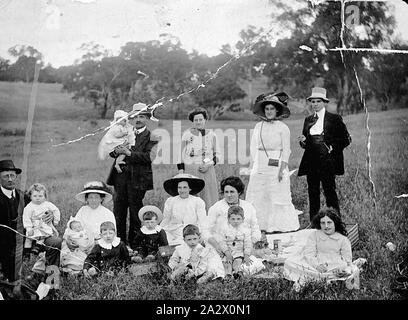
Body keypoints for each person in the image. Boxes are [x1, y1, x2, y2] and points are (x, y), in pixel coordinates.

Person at [245, 92, 301, 233]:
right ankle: (260, 226)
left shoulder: (283, 127)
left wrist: (282, 168)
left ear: (277, 110)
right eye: (267, 109)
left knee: (276, 193)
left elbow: (286, 150)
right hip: (261, 162)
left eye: (272, 109)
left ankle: (277, 226)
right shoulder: (258, 126)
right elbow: (253, 147)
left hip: (276, 163)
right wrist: (253, 165)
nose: (269, 112)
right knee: (259, 193)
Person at [107, 103, 160, 245]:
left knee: (136, 211)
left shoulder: (152, 136)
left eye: (141, 116)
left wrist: (129, 153)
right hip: (120, 177)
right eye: (135, 116)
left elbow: (149, 157)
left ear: (147, 118)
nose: (138, 119)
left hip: (139, 178)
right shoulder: (122, 131)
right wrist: (116, 151)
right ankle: (119, 243)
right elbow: (111, 151)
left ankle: (135, 244)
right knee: (119, 211)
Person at [298, 87, 352, 222]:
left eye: (318, 101)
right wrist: (303, 142)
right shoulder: (308, 119)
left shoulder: (334, 118)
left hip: (327, 160)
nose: (315, 104)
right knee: (313, 193)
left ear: (324, 102)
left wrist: (333, 147)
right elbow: (306, 143)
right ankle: (314, 223)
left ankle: (335, 222)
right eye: (313, 101)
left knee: (330, 192)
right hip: (311, 161)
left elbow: (346, 139)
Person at [283, 207, 357, 290]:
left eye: (329, 222)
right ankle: (320, 277)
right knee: (289, 262)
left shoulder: (343, 239)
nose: (326, 226)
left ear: (335, 223)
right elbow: (309, 253)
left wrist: (342, 269)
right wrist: (317, 265)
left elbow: (347, 259)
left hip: (334, 265)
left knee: (350, 269)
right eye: (323, 223)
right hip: (314, 263)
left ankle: (320, 278)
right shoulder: (314, 235)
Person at [203, 176, 262, 254]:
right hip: (221, 246)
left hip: (245, 246)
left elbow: (255, 228)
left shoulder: (248, 207)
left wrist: (251, 245)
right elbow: (205, 230)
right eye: (226, 192)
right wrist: (217, 246)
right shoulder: (216, 208)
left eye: (232, 192)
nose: (229, 195)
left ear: (239, 192)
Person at [177, 108, 220, 210]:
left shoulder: (212, 135)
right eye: (196, 120)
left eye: (201, 119)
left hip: (207, 170)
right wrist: (181, 173)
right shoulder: (187, 135)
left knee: (208, 198)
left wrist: (208, 164)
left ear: (205, 120)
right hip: (190, 171)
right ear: (192, 121)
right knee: (192, 198)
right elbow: (180, 155)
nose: (198, 122)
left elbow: (217, 155)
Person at [160, 173, 207, 246]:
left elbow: (202, 221)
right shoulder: (170, 201)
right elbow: (166, 219)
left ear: (189, 188)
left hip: (191, 232)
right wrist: (160, 231)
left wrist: (201, 234)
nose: (182, 190)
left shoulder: (197, 201)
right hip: (173, 231)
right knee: (166, 239)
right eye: (179, 187)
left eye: (185, 187)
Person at [0, 160, 26, 285]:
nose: (10, 179)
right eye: (6, 176)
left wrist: (49, 214)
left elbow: (37, 209)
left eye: (12, 176)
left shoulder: (22, 195)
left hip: (21, 241)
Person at [23, 183, 61, 255]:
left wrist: (56, 220)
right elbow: (26, 218)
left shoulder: (47, 204)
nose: (37, 198)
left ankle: (37, 247)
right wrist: (28, 228)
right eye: (35, 196)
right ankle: (26, 253)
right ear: (30, 196)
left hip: (43, 224)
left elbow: (56, 210)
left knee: (43, 235)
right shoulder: (29, 207)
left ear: (44, 196)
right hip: (33, 226)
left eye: (40, 196)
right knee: (28, 239)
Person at [214, 206, 252, 278]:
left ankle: (238, 272)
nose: (236, 221)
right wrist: (227, 254)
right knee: (227, 263)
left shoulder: (246, 230)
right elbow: (222, 242)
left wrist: (246, 255)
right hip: (228, 252)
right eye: (233, 219)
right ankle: (228, 274)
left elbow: (248, 244)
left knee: (237, 262)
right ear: (228, 219)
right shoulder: (224, 229)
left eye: (238, 219)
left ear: (243, 219)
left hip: (239, 252)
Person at [97, 109, 135, 174]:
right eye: (119, 120)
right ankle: (118, 163)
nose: (121, 122)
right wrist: (123, 134)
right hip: (115, 145)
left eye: (123, 120)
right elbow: (117, 135)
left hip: (120, 144)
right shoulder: (116, 127)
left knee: (123, 153)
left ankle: (118, 164)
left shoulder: (123, 127)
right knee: (123, 151)